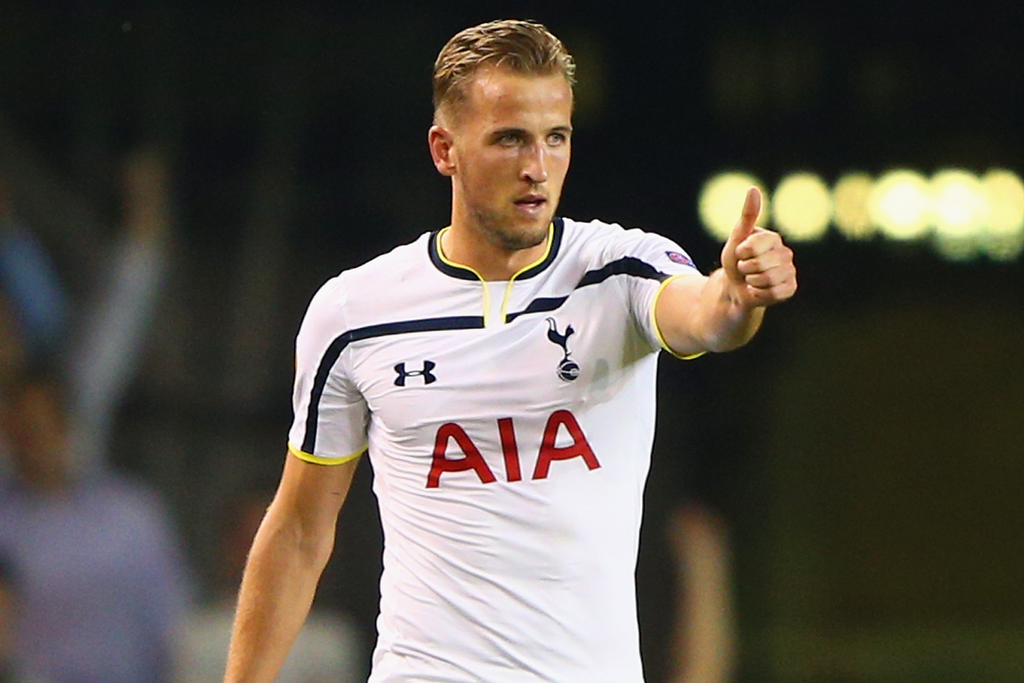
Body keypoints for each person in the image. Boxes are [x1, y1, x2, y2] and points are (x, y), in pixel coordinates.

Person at [223, 19, 796, 683]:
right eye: (510, 139)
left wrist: (739, 294)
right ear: (445, 150)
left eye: (556, 137)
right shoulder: (355, 313)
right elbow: (299, 531)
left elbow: (708, 316)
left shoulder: (620, 271)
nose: (537, 168)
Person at [0, 368, 190, 683]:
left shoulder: (132, 515)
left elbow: (171, 620)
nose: (34, 441)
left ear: (66, 426)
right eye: (22, 429)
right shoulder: (6, 522)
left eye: (42, 425)